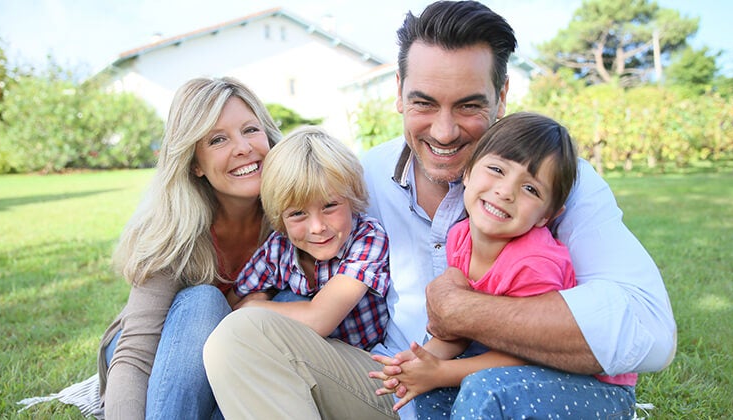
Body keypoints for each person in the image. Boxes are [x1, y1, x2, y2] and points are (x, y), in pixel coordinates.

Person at [202, 1, 676, 419]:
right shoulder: (364, 177)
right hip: (397, 386)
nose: (444, 132)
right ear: (399, 91)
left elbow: (650, 333)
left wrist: (463, 311)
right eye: (424, 103)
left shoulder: (554, 186)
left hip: (501, 392)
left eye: (469, 105)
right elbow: (295, 215)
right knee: (240, 338)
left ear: (503, 95)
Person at [373, 112, 636, 417]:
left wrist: (442, 372)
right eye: (497, 169)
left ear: (546, 216)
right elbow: (456, 329)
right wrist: (422, 362)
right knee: (430, 392)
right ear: (467, 174)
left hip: (590, 388)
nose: (505, 191)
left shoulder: (534, 263)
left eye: (530, 189)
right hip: (515, 374)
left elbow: (532, 352)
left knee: (485, 390)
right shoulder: (460, 237)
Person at [96, 76, 281, 419]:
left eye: (251, 130)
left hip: (231, 358)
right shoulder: (172, 228)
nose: (243, 147)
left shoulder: (294, 216)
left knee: (280, 310)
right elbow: (135, 356)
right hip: (153, 354)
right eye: (218, 139)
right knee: (203, 300)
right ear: (194, 163)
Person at [215, 125, 390, 351]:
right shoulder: (279, 247)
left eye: (329, 206)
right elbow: (233, 303)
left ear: (352, 198)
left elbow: (320, 319)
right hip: (306, 361)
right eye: (298, 214)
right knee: (210, 300)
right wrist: (255, 299)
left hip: (363, 366)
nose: (317, 228)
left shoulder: (367, 237)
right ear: (280, 217)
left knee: (278, 305)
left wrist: (253, 307)